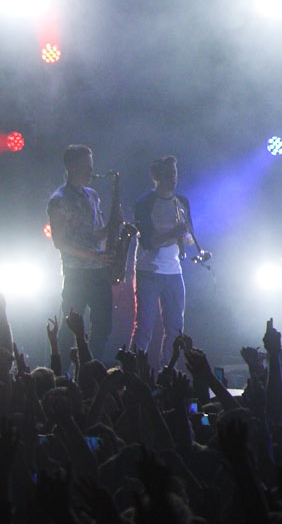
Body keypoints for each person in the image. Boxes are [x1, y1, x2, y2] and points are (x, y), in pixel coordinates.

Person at [48, 143, 117, 361]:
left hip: (98, 271)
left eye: (91, 165)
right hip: (76, 273)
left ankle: (92, 368)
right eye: (87, 166)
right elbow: (59, 242)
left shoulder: (92, 195)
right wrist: (94, 255)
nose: (91, 171)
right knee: (70, 329)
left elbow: (96, 234)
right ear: (72, 167)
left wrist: (114, 226)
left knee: (102, 327)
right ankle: (61, 373)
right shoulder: (59, 200)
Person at [131, 155, 197, 368]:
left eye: (175, 173)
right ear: (156, 176)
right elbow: (148, 242)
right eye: (168, 174)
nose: (173, 178)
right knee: (144, 328)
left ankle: (168, 371)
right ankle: (134, 372)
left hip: (174, 271)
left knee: (176, 329)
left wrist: (185, 236)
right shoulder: (145, 202)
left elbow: (189, 238)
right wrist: (173, 234)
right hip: (148, 271)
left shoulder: (182, 202)